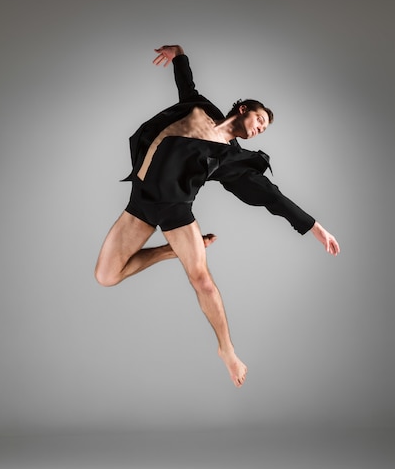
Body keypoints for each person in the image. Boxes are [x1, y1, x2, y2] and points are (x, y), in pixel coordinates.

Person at [95, 44, 340, 388]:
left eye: (264, 128)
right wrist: (178, 53)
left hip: (175, 210)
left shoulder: (230, 158)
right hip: (141, 200)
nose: (259, 128)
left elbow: (273, 196)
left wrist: (315, 228)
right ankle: (171, 251)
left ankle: (227, 350)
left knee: (201, 280)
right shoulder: (198, 108)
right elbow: (186, 82)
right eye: (259, 120)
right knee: (106, 276)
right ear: (243, 110)